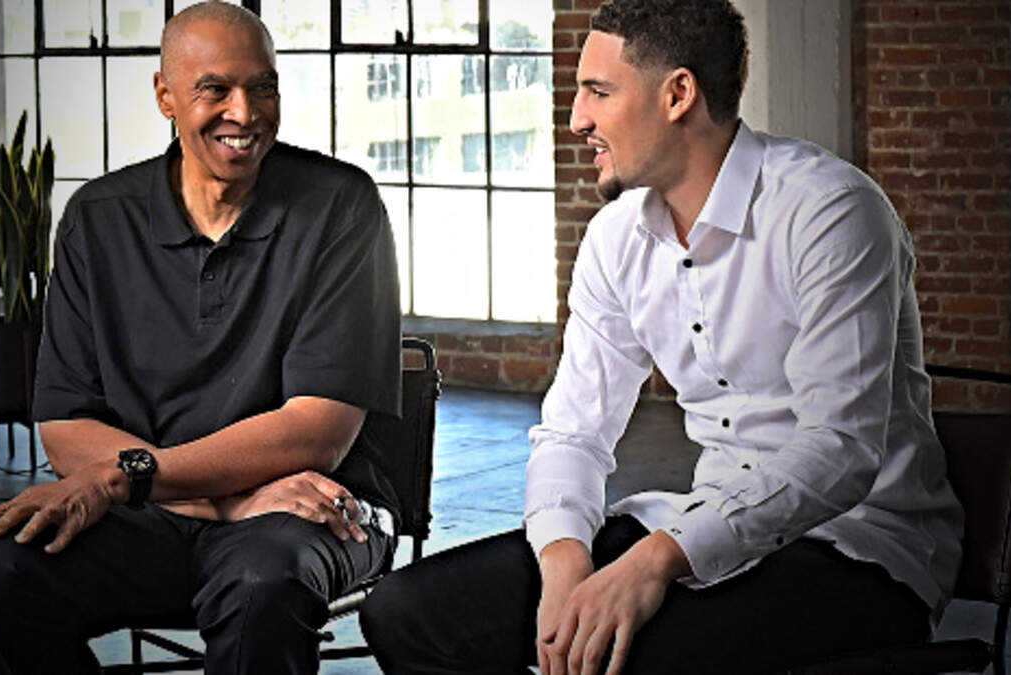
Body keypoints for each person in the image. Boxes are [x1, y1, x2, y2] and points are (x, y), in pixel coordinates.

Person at [359, 0, 964, 673]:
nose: (576, 119)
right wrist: (564, 562)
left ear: (678, 94)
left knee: (620, 653)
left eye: (598, 91)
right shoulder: (616, 238)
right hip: (695, 520)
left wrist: (655, 560)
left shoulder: (831, 213)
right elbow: (573, 432)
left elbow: (839, 449)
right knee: (406, 611)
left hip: (859, 551)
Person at [0, 3, 402, 673]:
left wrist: (124, 478)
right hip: (158, 514)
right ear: (165, 96)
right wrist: (223, 500)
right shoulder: (96, 220)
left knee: (262, 584)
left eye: (263, 87)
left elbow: (317, 432)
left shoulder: (341, 205)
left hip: (310, 505)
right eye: (214, 89)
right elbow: (66, 427)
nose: (244, 113)